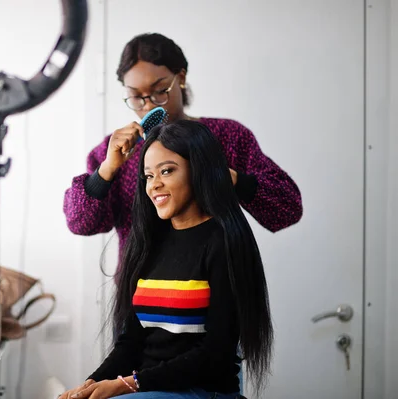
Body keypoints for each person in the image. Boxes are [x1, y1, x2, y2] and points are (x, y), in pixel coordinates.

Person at [58, 120, 273, 399]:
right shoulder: (150, 241)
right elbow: (130, 343)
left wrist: (126, 384)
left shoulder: (223, 241)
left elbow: (215, 354)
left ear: (199, 171)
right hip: (149, 387)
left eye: (167, 171)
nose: (154, 185)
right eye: (148, 176)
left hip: (202, 392)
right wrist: (90, 385)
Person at [63, 33, 302, 269]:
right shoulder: (112, 152)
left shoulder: (227, 136)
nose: (148, 105)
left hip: (217, 287)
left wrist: (230, 178)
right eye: (135, 97)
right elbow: (80, 223)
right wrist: (106, 171)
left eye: (159, 91)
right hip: (142, 294)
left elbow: (287, 209)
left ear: (181, 78)